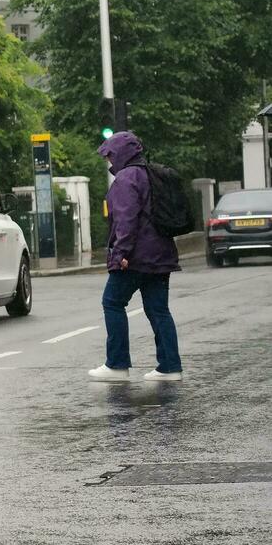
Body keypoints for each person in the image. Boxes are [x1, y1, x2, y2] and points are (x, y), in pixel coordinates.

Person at [88, 131, 183, 382]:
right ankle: (170, 367)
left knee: (112, 302)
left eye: (110, 155)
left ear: (120, 154)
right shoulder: (152, 175)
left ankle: (117, 365)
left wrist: (120, 253)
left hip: (135, 257)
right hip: (161, 255)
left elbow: (126, 220)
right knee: (159, 310)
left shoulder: (126, 178)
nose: (108, 161)